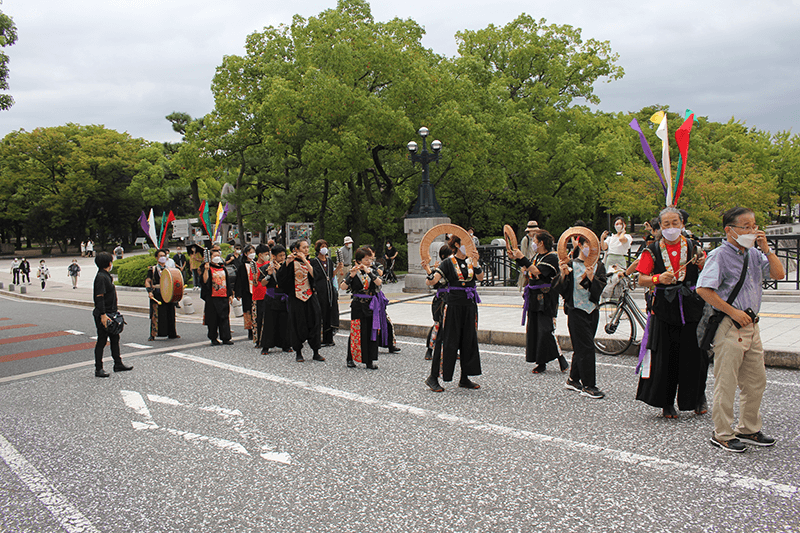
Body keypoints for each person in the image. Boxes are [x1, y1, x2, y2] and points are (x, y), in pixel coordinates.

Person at [697, 207, 785, 453]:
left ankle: (749, 428)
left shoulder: (755, 255)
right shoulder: (719, 255)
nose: (752, 230)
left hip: (751, 326)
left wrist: (766, 249)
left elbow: (778, 273)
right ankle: (722, 432)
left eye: (754, 225)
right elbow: (704, 289)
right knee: (726, 382)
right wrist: (732, 311)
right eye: (745, 226)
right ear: (730, 230)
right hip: (730, 325)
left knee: (756, 381)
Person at [636, 207, 707, 418]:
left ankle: (697, 397)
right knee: (666, 357)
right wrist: (658, 279)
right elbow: (641, 280)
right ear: (660, 226)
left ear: (682, 224)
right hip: (664, 309)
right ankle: (666, 401)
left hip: (691, 307)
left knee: (696, 356)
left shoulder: (695, 248)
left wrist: (704, 264)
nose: (671, 228)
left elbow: (710, 274)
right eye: (666, 224)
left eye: (675, 223)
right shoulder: (652, 250)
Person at [422, 234, 484, 392]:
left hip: (469, 305)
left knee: (468, 340)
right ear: (457, 244)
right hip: (453, 305)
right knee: (446, 340)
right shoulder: (448, 262)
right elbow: (432, 281)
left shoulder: (471, 262)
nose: (470, 246)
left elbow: (480, 278)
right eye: (466, 242)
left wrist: (476, 262)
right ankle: (433, 377)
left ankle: (464, 377)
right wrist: (429, 270)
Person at [558, 232, 608, 399]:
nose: (590, 249)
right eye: (587, 245)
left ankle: (573, 379)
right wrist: (564, 274)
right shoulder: (570, 264)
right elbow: (561, 290)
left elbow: (599, 290)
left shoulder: (598, 265)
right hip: (576, 311)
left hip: (592, 310)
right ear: (580, 245)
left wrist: (592, 278)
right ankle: (589, 385)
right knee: (586, 347)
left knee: (582, 346)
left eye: (593, 247)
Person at [511, 230, 568, 374]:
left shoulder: (552, 258)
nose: (534, 244)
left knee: (545, 329)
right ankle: (540, 361)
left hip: (546, 297)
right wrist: (517, 258)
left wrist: (522, 258)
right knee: (534, 329)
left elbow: (536, 271)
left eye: (535, 242)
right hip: (534, 296)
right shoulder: (538, 256)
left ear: (542, 243)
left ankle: (559, 357)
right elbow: (528, 269)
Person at [277, 239, 323, 362]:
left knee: (315, 322)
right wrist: (287, 262)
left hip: (310, 296)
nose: (306, 250)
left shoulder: (312, 262)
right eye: (303, 248)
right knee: (297, 324)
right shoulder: (291, 263)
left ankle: (316, 351)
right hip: (296, 297)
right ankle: (298, 352)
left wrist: (304, 260)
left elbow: (316, 276)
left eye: (307, 248)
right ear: (296, 250)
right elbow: (281, 279)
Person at [342, 246, 384, 369]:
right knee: (356, 331)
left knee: (371, 331)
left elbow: (379, 283)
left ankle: (369, 360)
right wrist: (351, 275)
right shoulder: (353, 271)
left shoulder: (372, 271)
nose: (369, 262)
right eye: (366, 259)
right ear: (359, 260)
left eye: (370, 259)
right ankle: (351, 358)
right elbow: (343, 287)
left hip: (370, 305)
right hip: (357, 305)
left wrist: (369, 271)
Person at [92, 252, 132, 377]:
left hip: (112, 312)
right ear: (108, 263)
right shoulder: (101, 277)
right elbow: (99, 297)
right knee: (102, 340)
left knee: (115, 339)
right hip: (104, 313)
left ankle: (118, 363)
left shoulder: (106, 276)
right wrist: (103, 314)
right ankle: (98, 368)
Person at [423, 245, 453, 361]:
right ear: (444, 256)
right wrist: (429, 270)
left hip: (453, 299)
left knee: (452, 325)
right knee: (438, 324)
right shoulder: (440, 268)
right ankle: (430, 349)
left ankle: (452, 350)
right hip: (441, 299)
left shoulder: (456, 267)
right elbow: (431, 282)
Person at [260, 244, 291, 354]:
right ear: (273, 256)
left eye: (284, 255)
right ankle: (266, 346)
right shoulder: (266, 267)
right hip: (271, 297)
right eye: (280, 256)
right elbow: (263, 283)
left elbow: (289, 282)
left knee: (284, 322)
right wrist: (268, 275)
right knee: (269, 322)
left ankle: (285, 345)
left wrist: (282, 271)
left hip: (283, 297)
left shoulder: (287, 267)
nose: (283, 258)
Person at [200, 249, 235, 345]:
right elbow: (205, 281)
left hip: (223, 296)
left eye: (218, 255)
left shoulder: (223, 268)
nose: (217, 257)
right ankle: (213, 338)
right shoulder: (207, 268)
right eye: (214, 256)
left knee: (224, 318)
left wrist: (230, 294)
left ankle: (226, 337)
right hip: (212, 297)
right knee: (212, 319)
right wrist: (206, 269)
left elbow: (227, 282)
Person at [144, 249, 180, 341]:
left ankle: (172, 333)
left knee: (170, 312)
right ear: (156, 258)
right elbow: (148, 281)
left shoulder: (169, 269)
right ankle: (153, 334)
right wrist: (149, 291)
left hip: (168, 292)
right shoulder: (153, 269)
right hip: (157, 293)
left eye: (164, 255)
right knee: (156, 313)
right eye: (160, 256)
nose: (163, 257)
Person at [312, 240, 339, 347]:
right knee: (320, 314)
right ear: (318, 248)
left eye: (326, 246)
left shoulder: (329, 261)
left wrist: (338, 268)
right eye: (322, 246)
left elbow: (331, 275)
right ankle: (320, 338)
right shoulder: (314, 262)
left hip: (329, 289)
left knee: (330, 312)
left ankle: (329, 338)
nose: (324, 248)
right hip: (320, 289)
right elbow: (314, 275)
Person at [235, 244, 259, 342]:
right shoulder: (242, 266)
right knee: (248, 310)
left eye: (253, 252)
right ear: (245, 254)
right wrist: (238, 293)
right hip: (247, 291)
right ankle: (250, 330)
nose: (252, 254)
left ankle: (257, 329)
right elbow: (239, 280)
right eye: (250, 252)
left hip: (256, 290)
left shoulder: (257, 264)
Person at [517, 221, 539, 290]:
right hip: (528, 263)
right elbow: (523, 253)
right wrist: (524, 266)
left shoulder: (538, 239)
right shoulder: (525, 239)